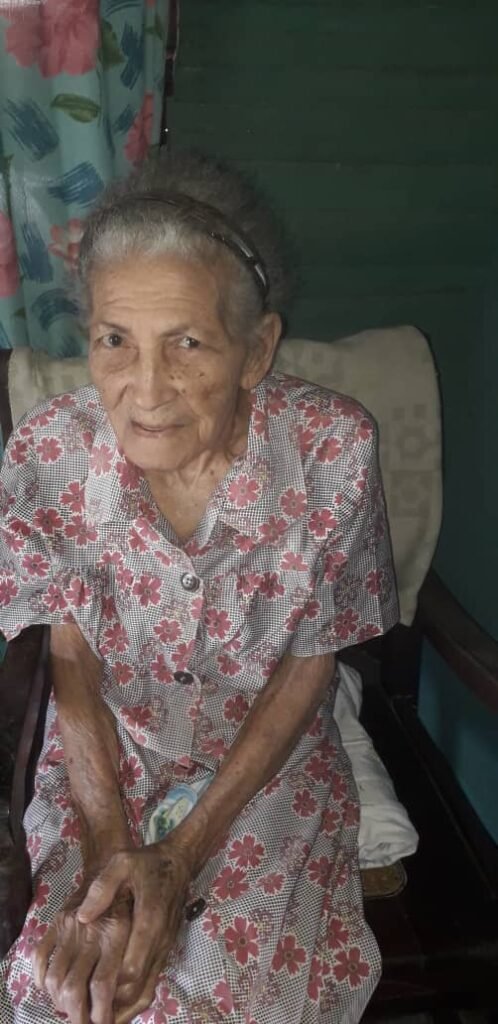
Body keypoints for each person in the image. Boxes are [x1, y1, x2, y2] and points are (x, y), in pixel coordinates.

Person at [0, 150, 399, 1024]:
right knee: (70, 989)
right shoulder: (48, 451)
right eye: (115, 340)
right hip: (110, 750)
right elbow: (71, 654)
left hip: (262, 759)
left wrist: (179, 858)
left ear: (257, 351)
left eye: (186, 342)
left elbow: (310, 663)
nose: (146, 390)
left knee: (227, 997)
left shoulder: (332, 452)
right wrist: (109, 849)